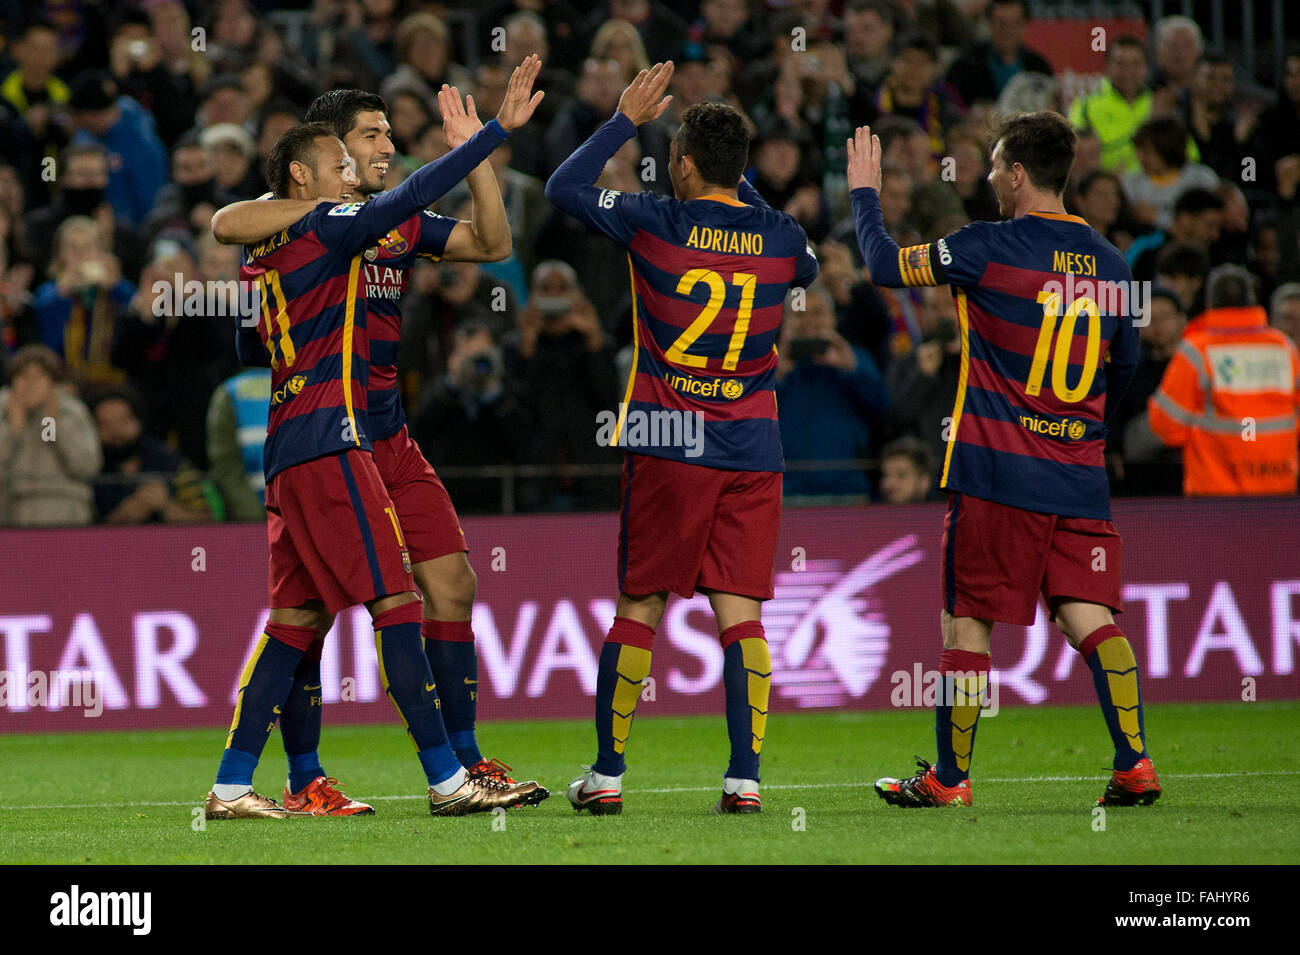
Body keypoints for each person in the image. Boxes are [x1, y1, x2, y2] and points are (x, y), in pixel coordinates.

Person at [201, 59, 545, 821]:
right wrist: (490, 135)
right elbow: (230, 224)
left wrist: (476, 158)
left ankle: (232, 783)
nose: (377, 151)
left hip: (360, 434)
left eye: (386, 137)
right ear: (319, 158)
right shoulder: (326, 217)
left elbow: (491, 243)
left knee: (318, 611)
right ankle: (433, 776)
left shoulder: (359, 222)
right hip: (331, 433)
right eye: (360, 143)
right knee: (389, 598)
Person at [847, 111, 1161, 809]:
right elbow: (1127, 364)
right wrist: (1081, 437)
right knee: (1090, 618)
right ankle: (1135, 761)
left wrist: (864, 195)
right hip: (1078, 478)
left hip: (995, 471)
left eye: (993, 164)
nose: (987, 174)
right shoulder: (1113, 265)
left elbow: (883, 266)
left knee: (966, 624)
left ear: (1017, 173)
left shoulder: (986, 246)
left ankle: (949, 779)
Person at [546, 63, 819, 814]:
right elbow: (813, 264)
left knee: (640, 603)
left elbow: (561, 189)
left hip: (669, 439)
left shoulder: (654, 220)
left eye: (674, 157)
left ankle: (606, 776)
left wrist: (620, 121)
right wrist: (743, 188)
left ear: (685, 164)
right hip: (754, 448)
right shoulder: (781, 235)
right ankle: (745, 780)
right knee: (742, 614)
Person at [1148, 264, 1300, 496]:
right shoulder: (1284, 348)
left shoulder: (1196, 351)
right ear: (1253, 302)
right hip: (1278, 487)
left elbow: (1166, 425)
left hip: (1215, 491)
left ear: (1209, 303)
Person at [0, 345, 101, 526]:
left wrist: (51, 423)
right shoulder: (3, 412)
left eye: (39, 376)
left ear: (52, 381)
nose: (31, 383)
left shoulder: (72, 411)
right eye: (23, 376)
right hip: (14, 510)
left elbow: (86, 466)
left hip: (64, 507)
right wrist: (13, 430)